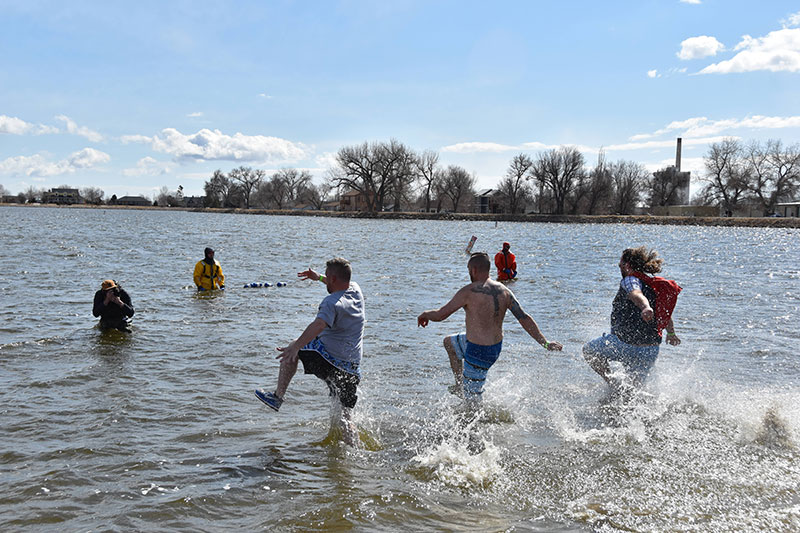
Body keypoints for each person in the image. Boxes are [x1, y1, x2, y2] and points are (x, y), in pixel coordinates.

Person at [417, 252, 562, 402]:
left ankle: (476, 416)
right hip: (494, 349)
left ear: (473, 270)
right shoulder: (504, 291)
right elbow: (524, 318)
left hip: (477, 352)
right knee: (449, 343)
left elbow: (441, 315)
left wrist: (425, 314)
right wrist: (545, 343)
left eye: (468, 270)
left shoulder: (469, 291)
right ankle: (460, 385)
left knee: (471, 403)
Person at [255, 257, 365, 445]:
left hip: (330, 361)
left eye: (327, 276)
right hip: (352, 369)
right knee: (346, 416)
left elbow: (319, 324)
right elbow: (338, 281)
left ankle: (277, 397)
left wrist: (296, 346)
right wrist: (318, 277)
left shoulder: (330, 303)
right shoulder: (356, 289)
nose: (326, 280)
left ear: (333, 279)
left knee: (293, 349)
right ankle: (354, 451)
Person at [582, 246, 682, 397]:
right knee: (633, 394)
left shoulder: (630, 280)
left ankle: (613, 383)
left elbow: (636, 293)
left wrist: (645, 307)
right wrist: (672, 333)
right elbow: (664, 314)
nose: (619, 265)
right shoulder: (653, 284)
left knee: (589, 351)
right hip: (649, 350)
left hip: (624, 345)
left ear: (627, 265)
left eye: (621, 262)